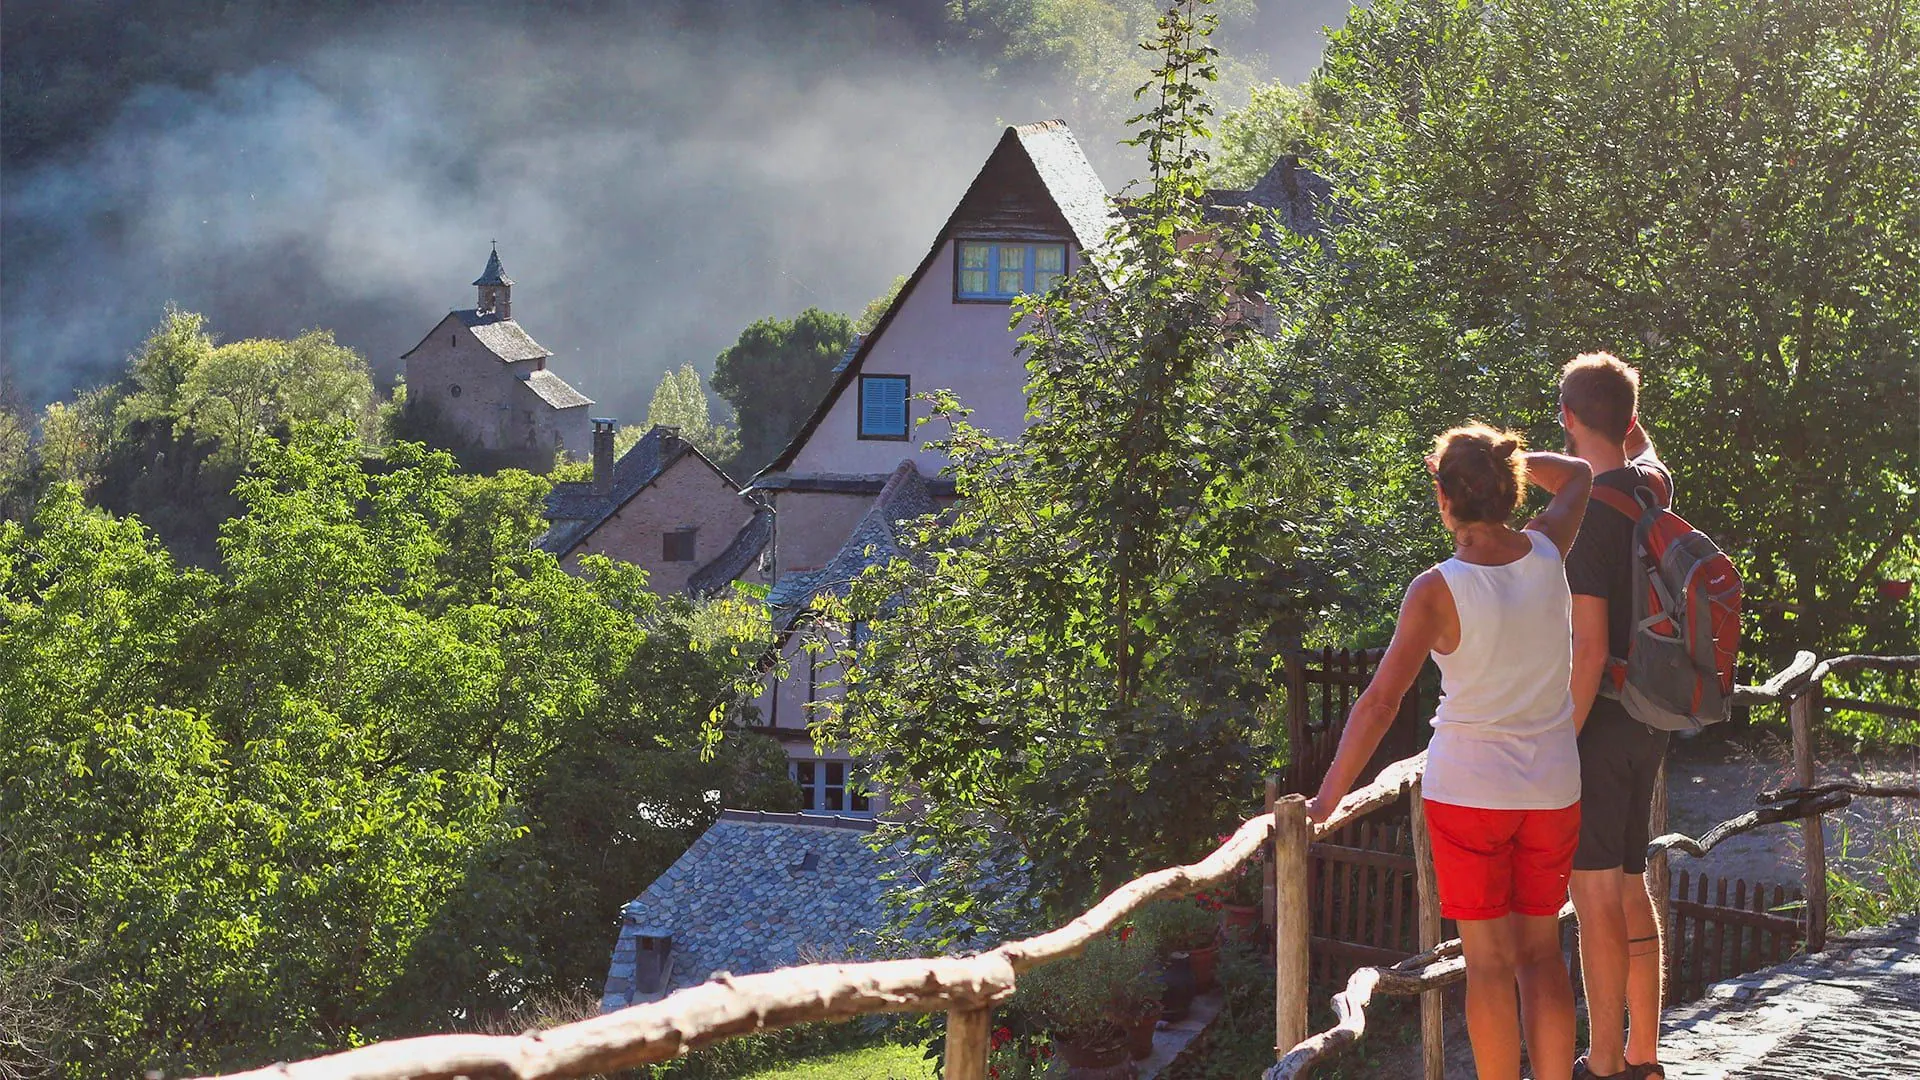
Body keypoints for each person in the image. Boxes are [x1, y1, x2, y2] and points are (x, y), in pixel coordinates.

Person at [1308, 423, 1592, 1080]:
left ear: (1443, 499)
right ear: (1511, 490)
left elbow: (1380, 704)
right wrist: (1512, 458)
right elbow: (1578, 474)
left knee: (1489, 965)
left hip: (1468, 795)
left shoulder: (1436, 590)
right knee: (1543, 958)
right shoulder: (1549, 550)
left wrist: (1329, 797)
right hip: (1552, 788)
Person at [1558, 353, 1673, 1080]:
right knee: (1631, 881)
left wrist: (1553, 743)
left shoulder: (1588, 518)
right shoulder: (1651, 487)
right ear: (1630, 421)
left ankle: (1601, 1065)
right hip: (1652, 714)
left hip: (1599, 720)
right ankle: (1645, 1054)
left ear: (1567, 421)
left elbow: (1590, 650)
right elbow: (1641, 442)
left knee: (1594, 891)